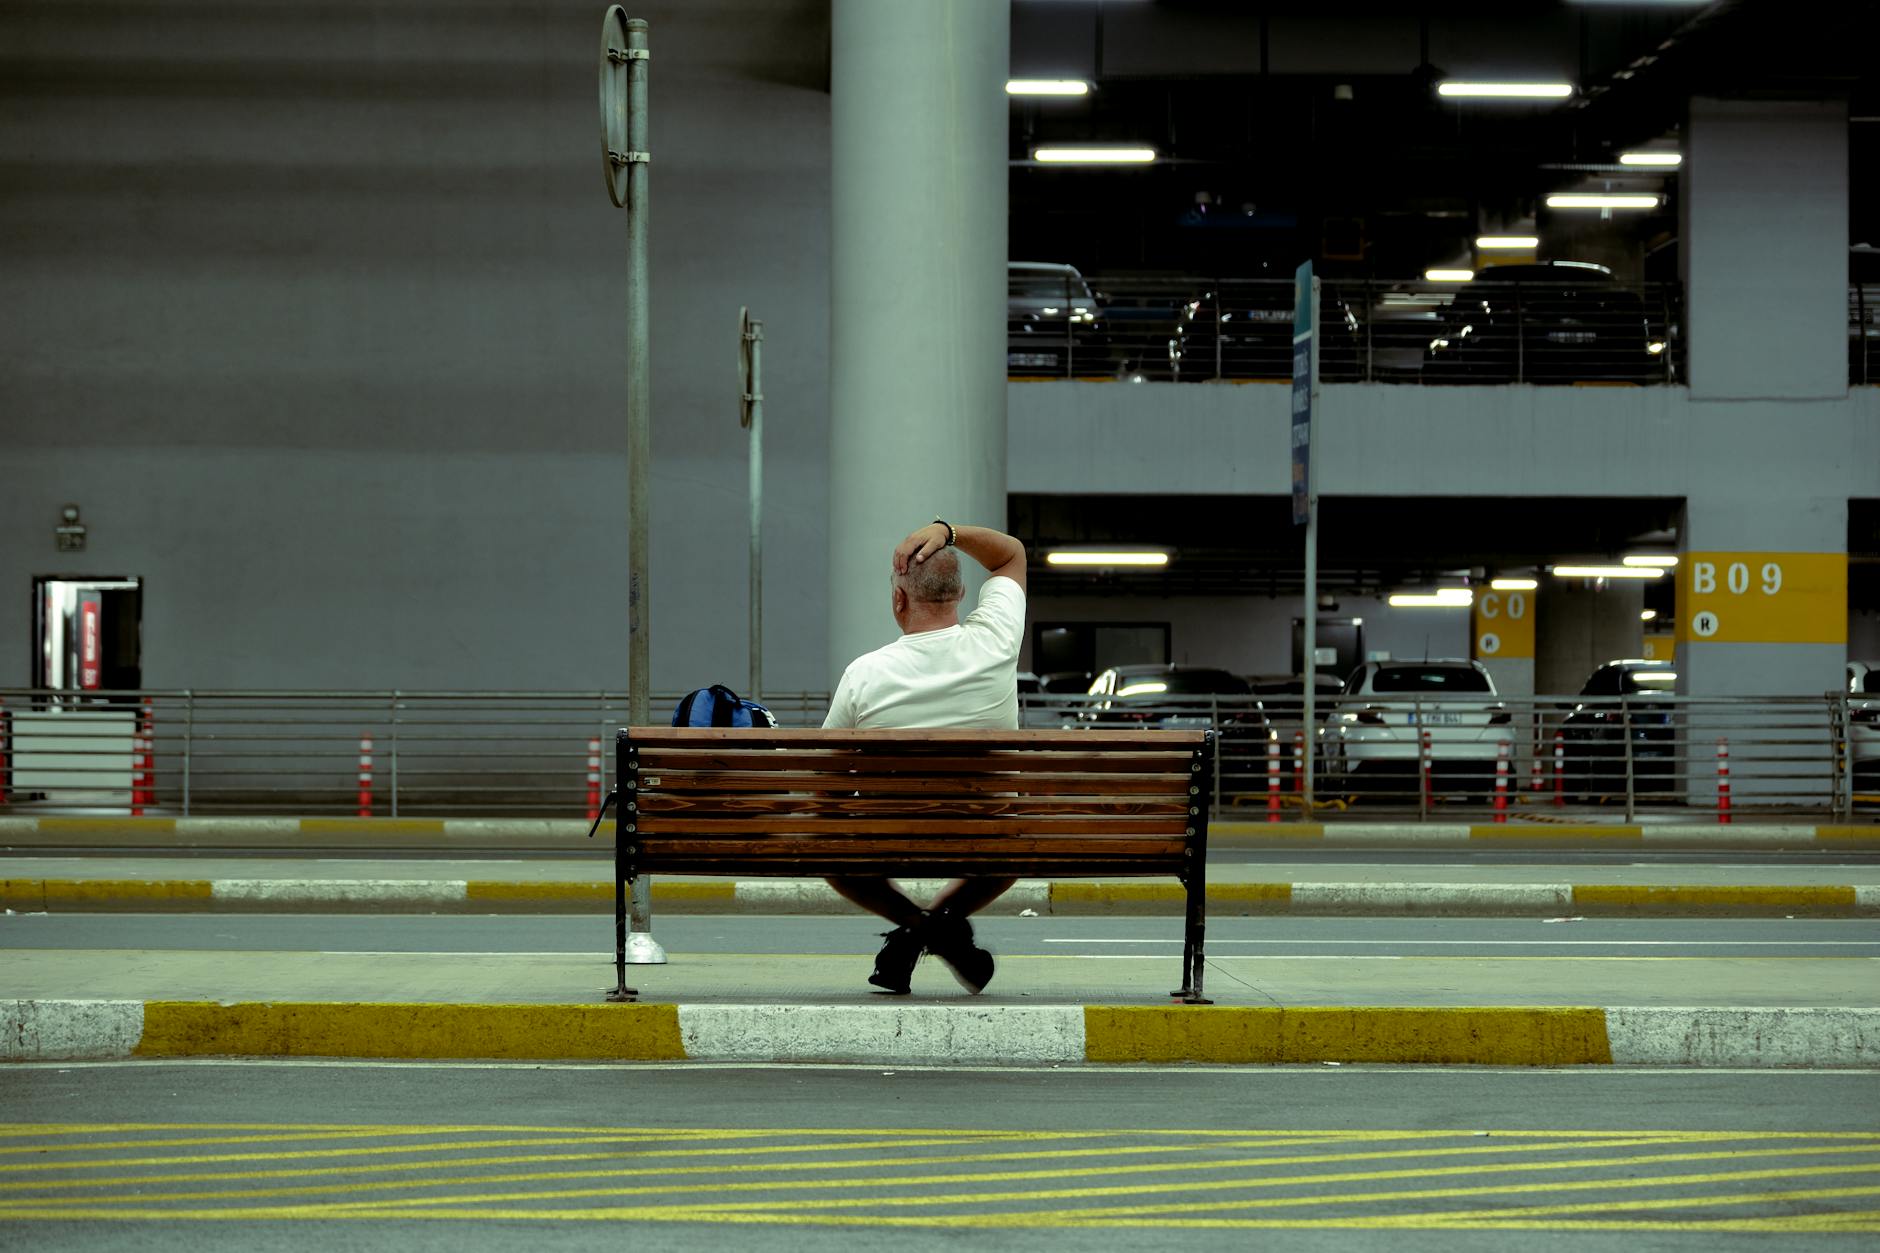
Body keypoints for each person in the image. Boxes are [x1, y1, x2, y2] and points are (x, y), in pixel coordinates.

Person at [822, 519, 1027, 995]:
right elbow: (1010, 554)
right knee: (1013, 845)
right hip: (983, 835)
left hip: (886, 838)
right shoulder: (996, 641)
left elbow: (825, 780)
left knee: (832, 855)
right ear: (960, 596)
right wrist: (947, 531)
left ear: (899, 601)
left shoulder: (864, 674)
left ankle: (918, 926)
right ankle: (939, 923)